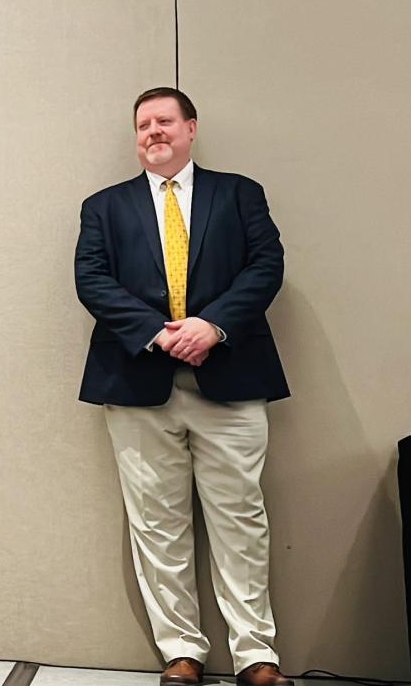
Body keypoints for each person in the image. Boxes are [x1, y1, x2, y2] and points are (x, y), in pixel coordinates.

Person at [74, 87, 293, 686]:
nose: (153, 132)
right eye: (143, 124)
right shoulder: (104, 207)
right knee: (156, 524)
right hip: (137, 383)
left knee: (240, 519)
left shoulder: (239, 193)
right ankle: (181, 653)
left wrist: (211, 326)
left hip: (232, 381)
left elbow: (266, 266)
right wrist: (157, 333)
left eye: (165, 121)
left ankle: (256, 655)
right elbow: (91, 279)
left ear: (191, 128)